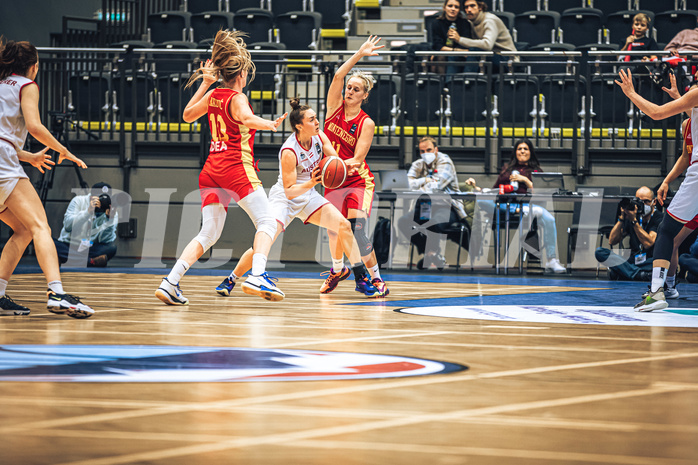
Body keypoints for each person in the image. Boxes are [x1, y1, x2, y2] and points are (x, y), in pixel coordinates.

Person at [155, 30, 287, 305]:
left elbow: (187, 115)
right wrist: (270, 124)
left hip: (211, 170)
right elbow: (247, 118)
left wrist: (204, 83)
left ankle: (170, 282)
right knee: (266, 222)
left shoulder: (215, 94)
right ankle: (258, 275)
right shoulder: (236, 98)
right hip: (235, 168)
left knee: (208, 233)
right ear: (241, 75)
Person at [214, 98, 382, 298]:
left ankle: (360, 277)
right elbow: (289, 191)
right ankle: (231, 279)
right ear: (299, 126)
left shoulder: (320, 137)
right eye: (311, 120)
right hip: (285, 199)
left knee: (344, 226)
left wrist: (345, 167)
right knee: (263, 241)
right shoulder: (289, 151)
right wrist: (312, 183)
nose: (317, 122)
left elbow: (335, 161)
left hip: (309, 196)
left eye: (316, 118)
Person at [0, 37, 93, 318]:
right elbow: (34, 126)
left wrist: (29, 157)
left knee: (24, 230)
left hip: (6, 157)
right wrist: (62, 149)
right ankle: (57, 293)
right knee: (41, 227)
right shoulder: (27, 85)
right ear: (34, 67)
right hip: (4, 164)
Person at [616, 67, 698, 311]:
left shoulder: (695, 95)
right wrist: (680, 100)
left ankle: (656, 292)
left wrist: (631, 93)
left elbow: (655, 113)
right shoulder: (690, 113)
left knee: (666, 231)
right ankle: (668, 286)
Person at [322, 36, 388, 297]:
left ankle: (376, 278)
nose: (349, 91)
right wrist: (359, 54)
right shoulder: (332, 108)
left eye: (356, 89)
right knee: (334, 230)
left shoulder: (366, 123)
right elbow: (338, 75)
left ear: (365, 95)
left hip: (357, 180)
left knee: (357, 231)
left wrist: (332, 163)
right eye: (349, 87)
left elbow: (358, 159)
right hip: (334, 180)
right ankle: (338, 269)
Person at [466, 139, 566, 273]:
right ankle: (516, 210)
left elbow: (539, 193)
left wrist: (524, 180)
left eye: (525, 149)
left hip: (530, 206)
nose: (522, 151)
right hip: (507, 206)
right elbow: (493, 191)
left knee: (550, 219)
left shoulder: (536, 170)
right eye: (519, 149)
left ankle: (551, 260)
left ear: (530, 152)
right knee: (482, 201)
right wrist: (475, 187)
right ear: (515, 152)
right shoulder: (507, 170)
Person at [397, 136, 470, 269]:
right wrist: (425, 180)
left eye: (429, 150)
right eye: (422, 151)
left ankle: (432, 254)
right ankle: (432, 254)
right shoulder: (418, 164)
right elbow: (407, 184)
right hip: (425, 206)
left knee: (432, 223)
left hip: (447, 205)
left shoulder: (445, 161)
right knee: (404, 222)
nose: (425, 154)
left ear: (436, 150)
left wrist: (419, 184)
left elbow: (437, 186)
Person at [594, 187, 662, 282]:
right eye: (639, 201)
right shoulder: (632, 215)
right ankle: (639, 274)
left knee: (659, 263)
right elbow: (612, 241)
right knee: (599, 252)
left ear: (654, 202)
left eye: (646, 201)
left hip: (650, 259)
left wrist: (634, 221)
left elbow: (648, 243)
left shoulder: (659, 217)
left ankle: (625, 272)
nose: (642, 204)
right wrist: (621, 219)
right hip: (634, 259)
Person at [53, 182, 118, 267]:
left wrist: (109, 220)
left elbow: (105, 240)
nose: (102, 201)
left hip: (89, 248)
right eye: (100, 198)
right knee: (49, 243)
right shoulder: (78, 201)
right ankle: (91, 262)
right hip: (69, 245)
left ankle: (66, 259)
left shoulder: (111, 211)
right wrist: (88, 212)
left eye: (105, 199)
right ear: (91, 197)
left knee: (111, 248)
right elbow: (67, 226)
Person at [454, 0, 516, 73]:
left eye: (472, 6)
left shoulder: (490, 20)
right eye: (466, 7)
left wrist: (459, 39)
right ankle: (450, 82)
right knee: (455, 55)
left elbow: (487, 45)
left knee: (474, 52)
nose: (469, 10)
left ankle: (467, 80)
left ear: (480, 7)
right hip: (489, 56)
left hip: (507, 59)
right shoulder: (471, 22)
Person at [430, 0, 472, 75]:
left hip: (459, 56)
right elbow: (438, 45)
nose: (453, 9)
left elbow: (465, 44)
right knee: (440, 56)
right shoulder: (436, 23)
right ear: (444, 8)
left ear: (459, 10)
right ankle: (443, 85)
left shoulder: (465, 23)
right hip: (444, 53)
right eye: (450, 6)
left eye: (456, 7)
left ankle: (455, 83)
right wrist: (454, 50)